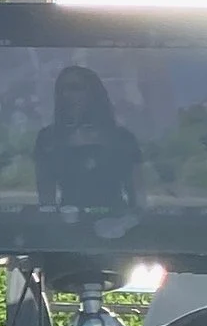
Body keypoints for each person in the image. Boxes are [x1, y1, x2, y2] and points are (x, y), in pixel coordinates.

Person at [35, 61, 147, 223]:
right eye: (62, 89)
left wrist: (124, 225)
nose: (66, 94)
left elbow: (138, 199)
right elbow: (46, 200)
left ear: (93, 93)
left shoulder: (122, 138)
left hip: (116, 227)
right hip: (68, 225)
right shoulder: (48, 138)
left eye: (75, 88)